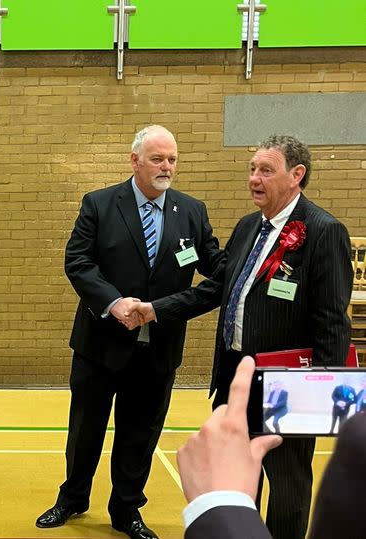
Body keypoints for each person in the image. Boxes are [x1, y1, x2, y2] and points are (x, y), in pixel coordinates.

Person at [131, 135, 353, 539]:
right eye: (252, 169)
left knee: (287, 486)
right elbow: (214, 289)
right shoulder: (250, 226)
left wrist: (318, 391)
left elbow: (332, 322)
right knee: (236, 480)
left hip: (287, 386)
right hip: (236, 379)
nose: (254, 178)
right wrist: (155, 309)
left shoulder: (323, 231)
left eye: (266, 170)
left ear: (296, 175)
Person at [35, 125, 223, 539]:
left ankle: (126, 510)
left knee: (140, 434)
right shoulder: (100, 204)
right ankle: (72, 498)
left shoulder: (191, 211)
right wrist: (114, 303)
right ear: (134, 160)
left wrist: (254, 267)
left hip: (158, 350)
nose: (166, 167)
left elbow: (217, 267)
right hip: (100, 344)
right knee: (85, 429)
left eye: (172, 159)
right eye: (158, 159)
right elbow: (79, 262)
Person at [179, 356, 366, 539]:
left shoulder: (357, 440)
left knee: (287, 494)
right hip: (238, 383)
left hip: (280, 409)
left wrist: (221, 506)